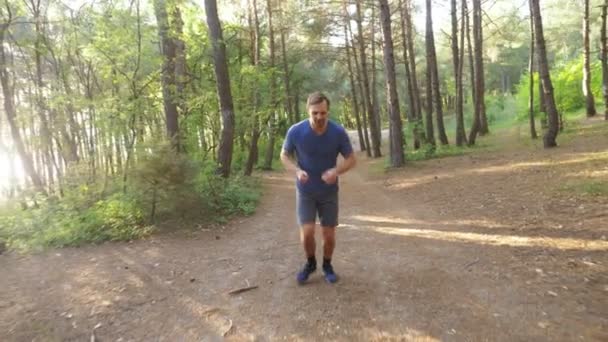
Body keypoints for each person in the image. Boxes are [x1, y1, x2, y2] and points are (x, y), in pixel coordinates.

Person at [280, 91, 356, 284]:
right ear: (308, 111)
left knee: (328, 235)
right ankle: (311, 263)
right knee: (307, 233)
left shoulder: (337, 132)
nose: (319, 117)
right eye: (315, 113)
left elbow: (351, 159)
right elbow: (284, 155)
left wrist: (336, 172)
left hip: (328, 192)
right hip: (305, 191)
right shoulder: (296, 131)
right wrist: (297, 171)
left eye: (323, 113)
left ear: (327, 111)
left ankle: (328, 265)